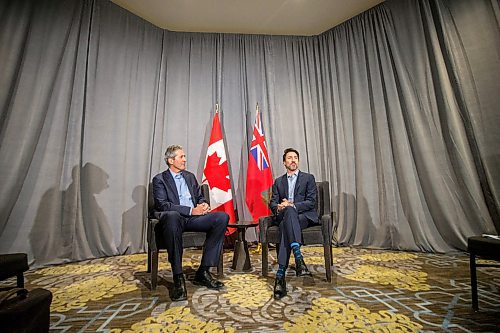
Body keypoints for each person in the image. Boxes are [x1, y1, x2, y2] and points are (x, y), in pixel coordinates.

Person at [152, 145, 229, 301]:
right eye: (181, 157)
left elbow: (199, 197)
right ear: (171, 160)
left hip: (194, 218)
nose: (185, 159)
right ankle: (178, 277)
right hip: (175, 219)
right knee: (172, 216)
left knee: (222, 217)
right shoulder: (159, 179)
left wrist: (204, 204)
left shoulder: (190, 176)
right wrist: (190, 210)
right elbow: (163, 205)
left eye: (184, 156)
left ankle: (204, 271)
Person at [269, 148, 319, 300]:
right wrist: (279, 206)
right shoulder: (278, 181)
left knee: (287, 221)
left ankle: (280, 276)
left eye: (295, 157)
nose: (293, 160)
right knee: (288, 215)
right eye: (289, 158)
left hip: (303, 216)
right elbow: (272, 202)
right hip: (286, 215)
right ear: (284, 162)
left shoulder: (308, 178)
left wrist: (292, 204)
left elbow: (311, 202)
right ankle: (298, 258)